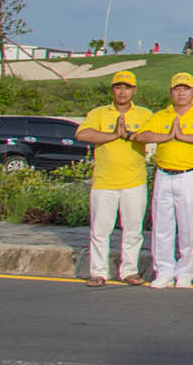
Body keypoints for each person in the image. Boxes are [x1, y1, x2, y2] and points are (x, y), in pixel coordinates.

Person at [134, 73, 193, 288]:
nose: (181, 93)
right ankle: (163, 270)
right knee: (162, 225)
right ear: (171, 92)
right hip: (164, 173)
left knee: (189, 225)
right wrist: (166, 137)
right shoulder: (162, 115)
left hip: (189, 175)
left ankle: (185, 272)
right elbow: (141, 136)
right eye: (177, 89)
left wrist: (182, 137)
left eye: (185, 89)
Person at [76, 70, 153, 286]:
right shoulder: (99, 113)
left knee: (133, 230)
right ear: (113, 90)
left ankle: (129, 271)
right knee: (100, 229)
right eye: (118, 87)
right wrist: (112, 136)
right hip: (104, 182)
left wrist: (131, 135)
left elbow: (152, 134)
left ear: (134, 90)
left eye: (127, 87)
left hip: (134, 181)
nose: (122, 91)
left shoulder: (144, 114)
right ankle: (98, 272)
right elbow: (82, 134)